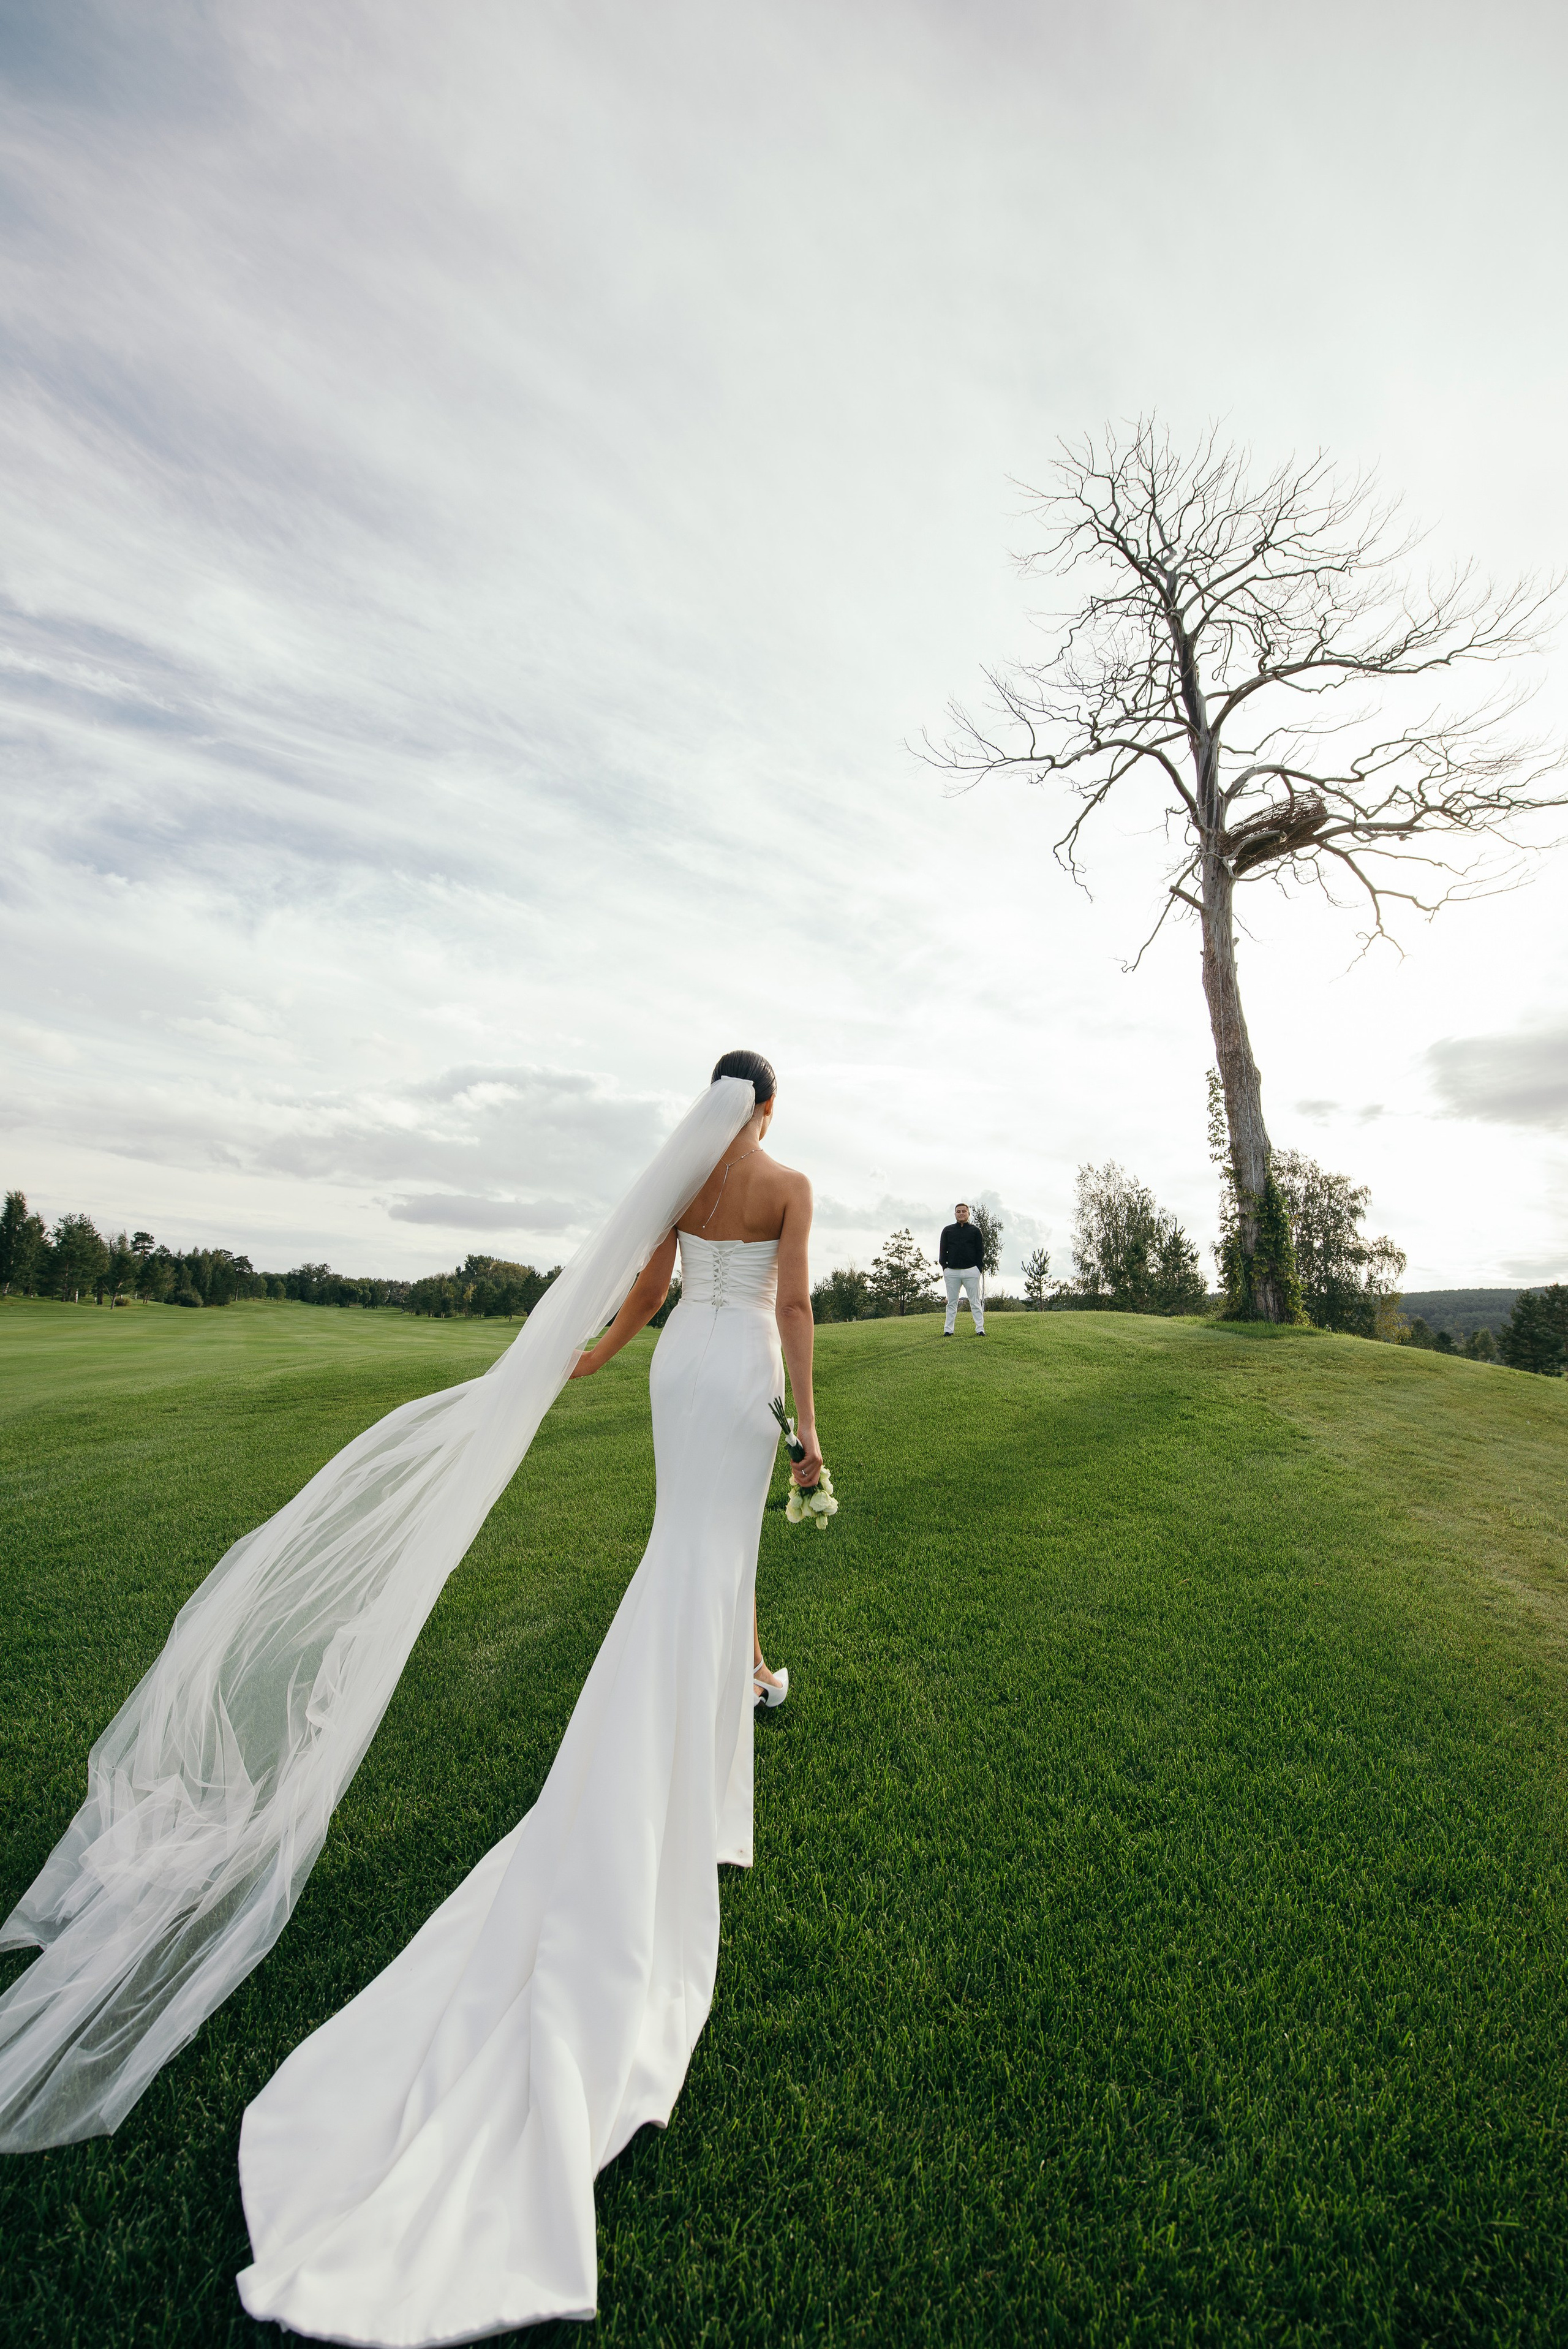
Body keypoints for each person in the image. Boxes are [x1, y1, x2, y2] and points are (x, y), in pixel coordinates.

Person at [1, 1054, 819, 2345]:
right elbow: (795, 1306)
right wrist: (809, 1436)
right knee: (711, 1562)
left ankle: (719, 1725)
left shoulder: (684, 1179)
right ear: (766, 1106)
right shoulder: (788, 1183)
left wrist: (600, 1354)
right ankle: (691, 1763)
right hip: (743, 1380)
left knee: (691, 1557)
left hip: (681, 1379)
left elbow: (648, 1287)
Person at [939, 1201, 986, 1335]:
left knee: (975, 1302)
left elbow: (980, 1251)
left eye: (964, 1211)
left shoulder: (975, 1231)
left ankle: (980, 1329)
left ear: (968, 1214)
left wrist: (978, 1269)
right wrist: (945, 1267)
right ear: (955, 1214)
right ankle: (948, 1330)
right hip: (952, 1272)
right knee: (952, 1303)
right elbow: (943, 1250)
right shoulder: (947, 1230)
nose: (961, 1214)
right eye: (958, 1212)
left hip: (971, 1271)